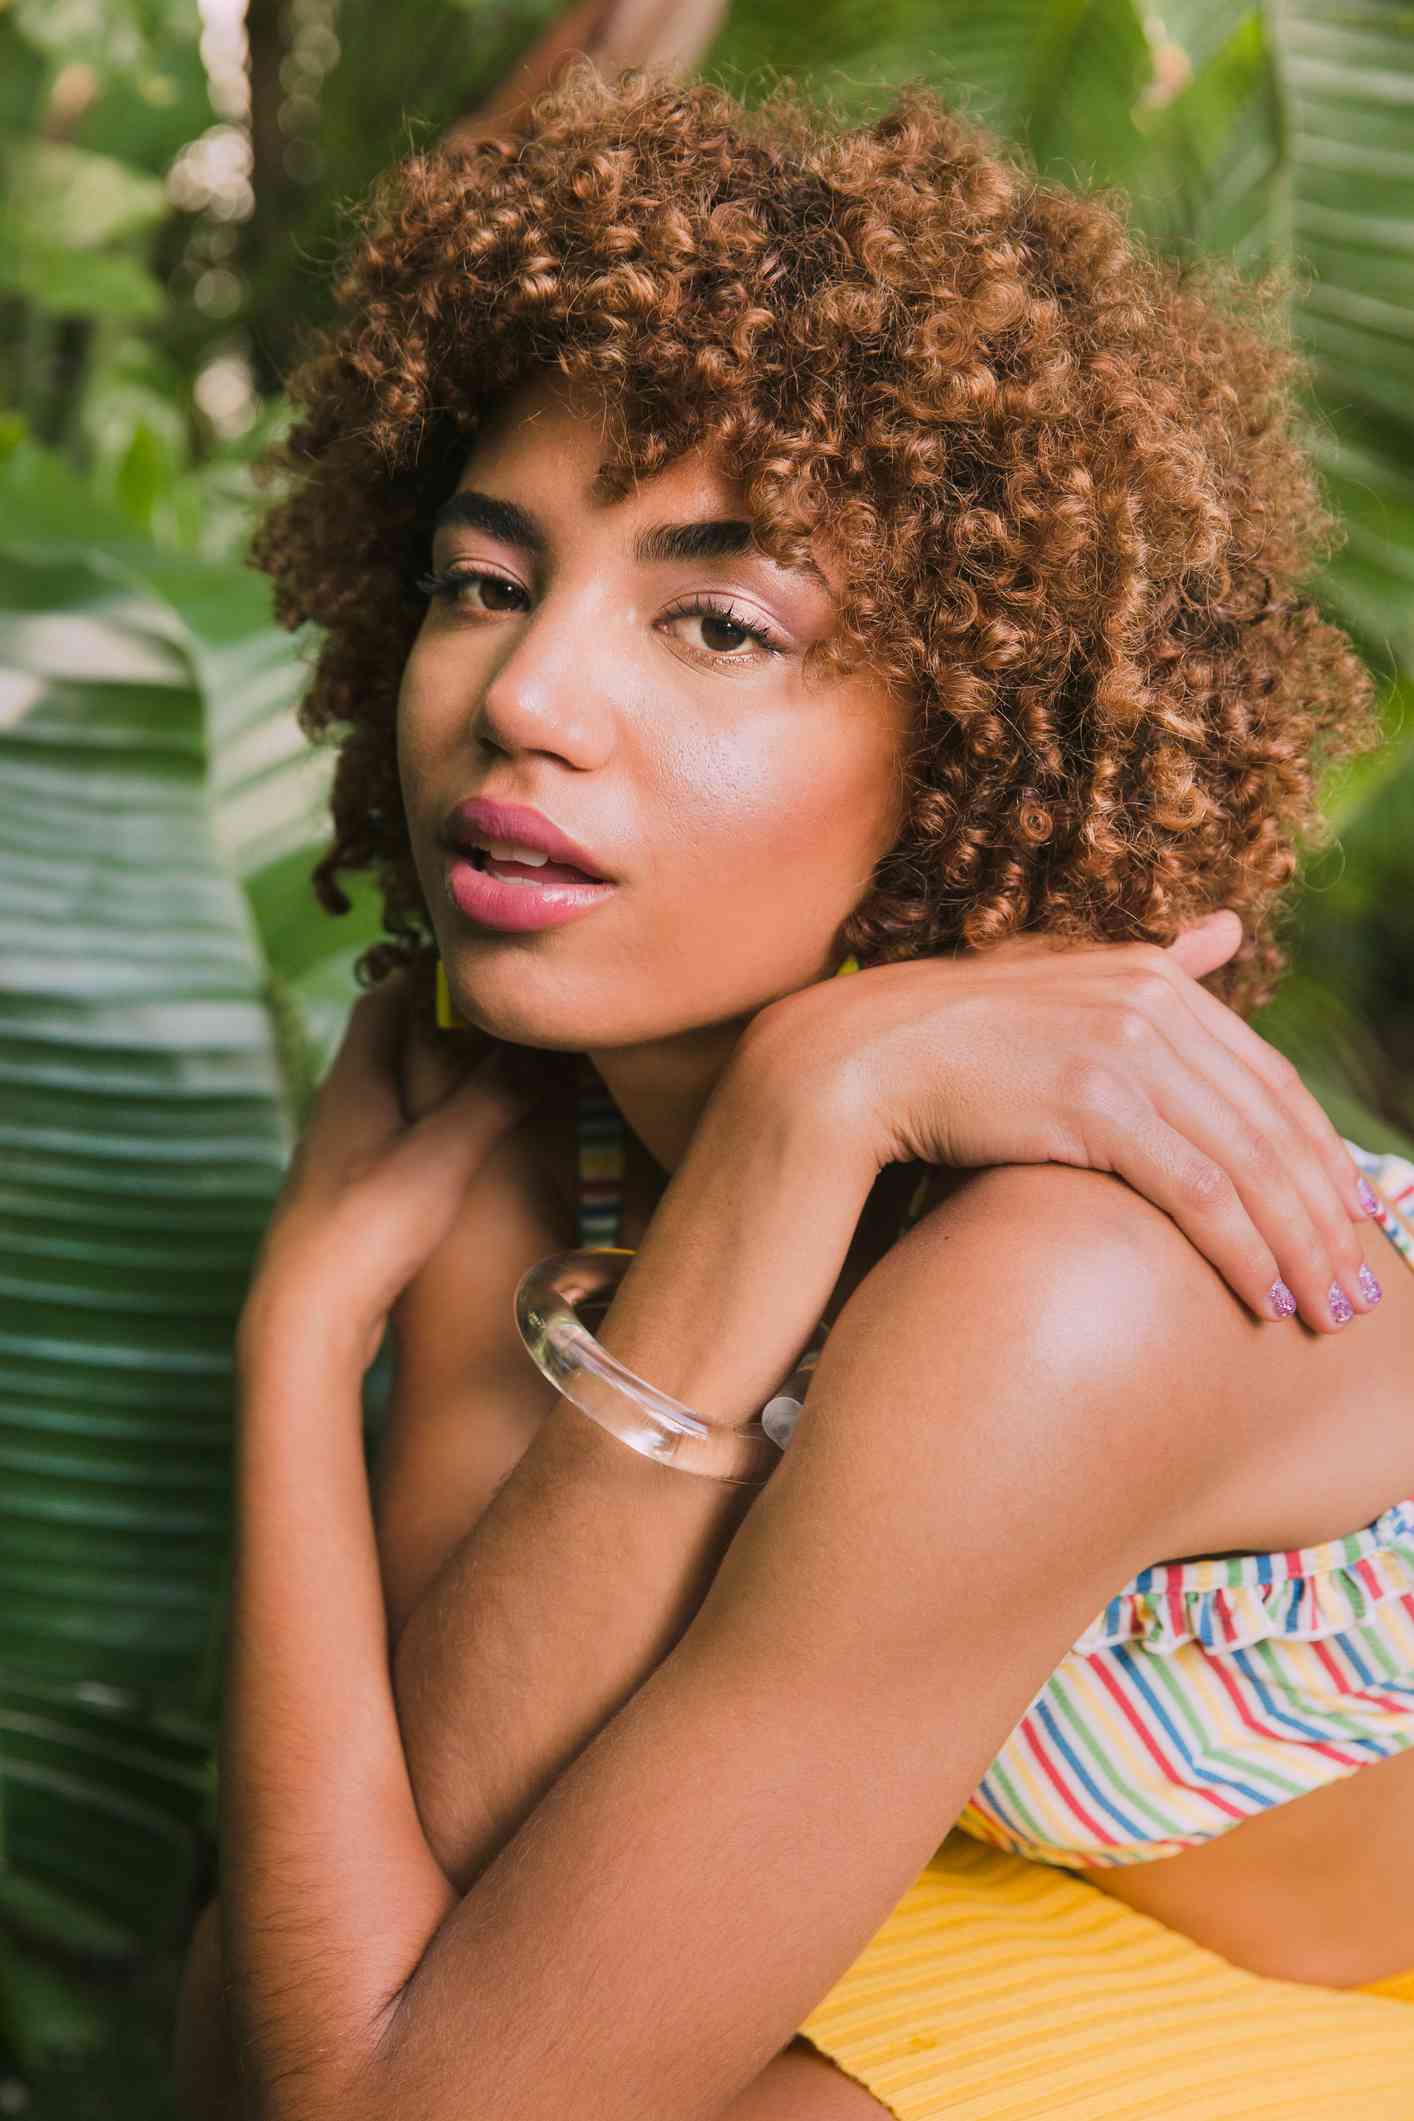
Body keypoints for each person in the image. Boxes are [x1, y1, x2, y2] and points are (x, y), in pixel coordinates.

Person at [174, 59, 1414, 2121]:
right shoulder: (550, 1124)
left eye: (717, 622)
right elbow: (278, 2039)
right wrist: (298, 1343)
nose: (526, 699)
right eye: (485, 581)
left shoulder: (1067, 1285)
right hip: (1011, 1907)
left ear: (980, 732)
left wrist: (798, 1103)